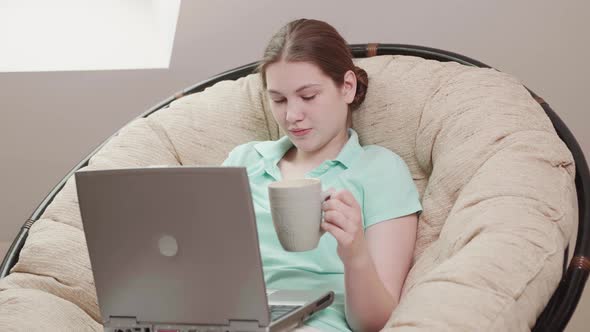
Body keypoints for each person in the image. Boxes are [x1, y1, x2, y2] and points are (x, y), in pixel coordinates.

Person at [222, 18, 422, 332]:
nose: (291, 116)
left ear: (347, 86)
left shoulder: (380, 170)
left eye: (309, 96)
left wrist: (355, 255)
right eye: (279, 100)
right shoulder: (244, 161)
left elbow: (375, 322)